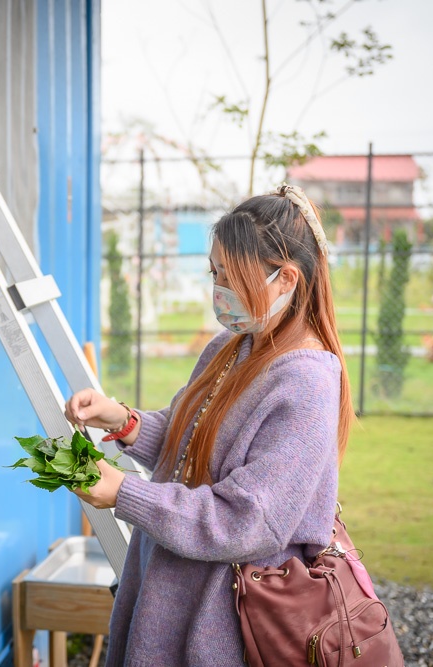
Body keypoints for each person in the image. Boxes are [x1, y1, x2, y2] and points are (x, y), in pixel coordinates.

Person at [63, 184, 353, 666]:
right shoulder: (232, 345)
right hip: (171, 585)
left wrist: (123, 493)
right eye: (214, 271)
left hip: (223, 616)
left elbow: (248, 521)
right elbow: (190, 441)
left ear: (285, 280)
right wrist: (123, 419)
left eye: (231, 275)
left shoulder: (305, 382)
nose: (217, 289)